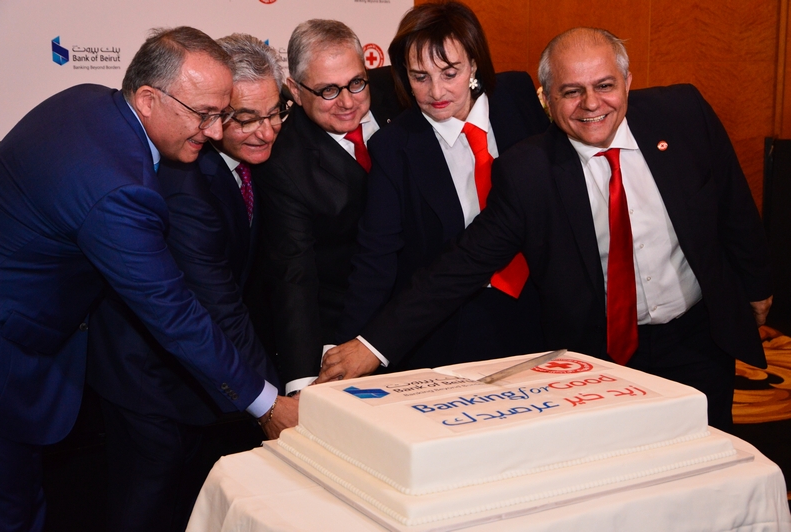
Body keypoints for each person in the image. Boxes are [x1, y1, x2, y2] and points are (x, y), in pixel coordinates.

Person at [319, 27, 772, 432]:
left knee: (709, 461)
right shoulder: (528, 171)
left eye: (605, 86)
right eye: (572, 92)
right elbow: (460, 264)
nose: (591, 104)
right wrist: (371, 346)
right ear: (547, 100)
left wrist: (757, 287)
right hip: (599, 359)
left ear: (627, 81)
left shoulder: (684, 114)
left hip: (698, 339)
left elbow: (734, 206)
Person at [0, 27, 296, 532]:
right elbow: (175, 313)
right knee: (10, 514)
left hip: (28, 340)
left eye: (222, 114)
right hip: (5, 358)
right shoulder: (119, 190)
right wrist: (266, 406)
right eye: (204, 114)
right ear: (149, 99)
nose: (215, 132)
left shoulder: (88, 100)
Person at [85, 34, 286, 532]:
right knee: (148, 508)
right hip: (151, 385)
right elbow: (218, 305)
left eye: (275, 112)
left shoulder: (242, 162)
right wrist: (274, 404)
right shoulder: (185, 183)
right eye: (246, 118)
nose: (266, 130)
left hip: (200, 378)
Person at [334, 1, 548, 372]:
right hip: (451, 325)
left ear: (474, 63)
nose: (436, 91)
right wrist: (352, 348)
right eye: (420, 77)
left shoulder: (518, 97)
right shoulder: (394, 146)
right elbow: (376, 258)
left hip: (541, 311)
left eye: (450, 73)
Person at [256, 19, 401, 396]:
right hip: (346, 333)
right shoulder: (283, 162)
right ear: (295, 90)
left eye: (356, 83)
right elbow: (294, 276)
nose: (348, 102)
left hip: (424, 313)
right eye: (328, 91)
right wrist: (303, 385)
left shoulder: (400, 91)